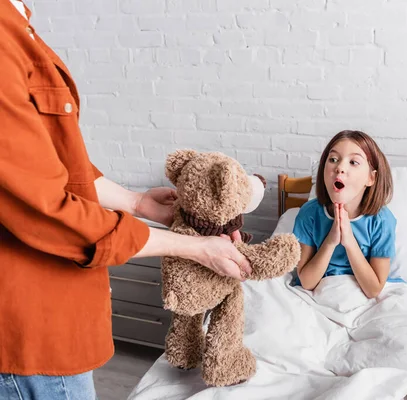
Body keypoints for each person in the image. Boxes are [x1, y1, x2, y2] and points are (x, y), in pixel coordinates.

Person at [0, 1, 251, 399]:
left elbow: (55, 168)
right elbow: (50, 210)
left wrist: (137, 203)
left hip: (55, 315)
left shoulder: (18, 27)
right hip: (30, 327)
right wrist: (195, 248)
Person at [292, 130, 402, 299]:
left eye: (353, 162)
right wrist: (330, 241)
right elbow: (306, 282)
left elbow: (373, 290)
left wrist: (349, 241)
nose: (340, 168)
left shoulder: (382, 221)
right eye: (333, 159)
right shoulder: (309, 214)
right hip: (321, 293)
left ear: (370, 178)